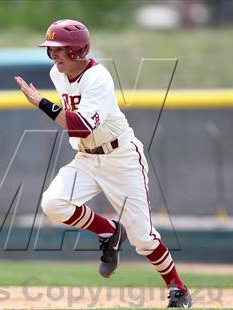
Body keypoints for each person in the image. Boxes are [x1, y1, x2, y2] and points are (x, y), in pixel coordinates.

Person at [14, 19, 193, 308]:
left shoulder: (98, 78)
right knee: (53, 203)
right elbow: (79, 130)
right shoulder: (57, 74)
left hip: (120, 159)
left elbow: (82, 125)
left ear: (77, 50)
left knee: (144, 239)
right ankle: (109, 230)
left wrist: (41, 103)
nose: (54, 56)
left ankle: (178, 289)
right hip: (86, 158)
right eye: (51, 50)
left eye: (60, 49)